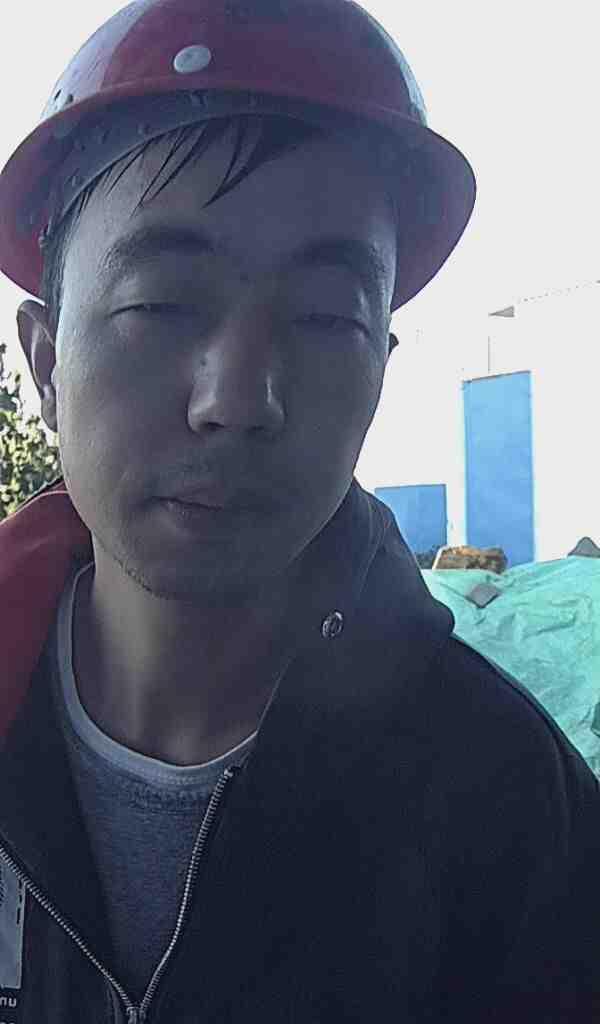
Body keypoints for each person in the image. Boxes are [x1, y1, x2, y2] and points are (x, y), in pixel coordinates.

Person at [0, 1, 598, 1020]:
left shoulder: (511, 810)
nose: (238, 398)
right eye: (161, 303)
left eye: (325, 318)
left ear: (380, 370)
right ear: (48, 362)